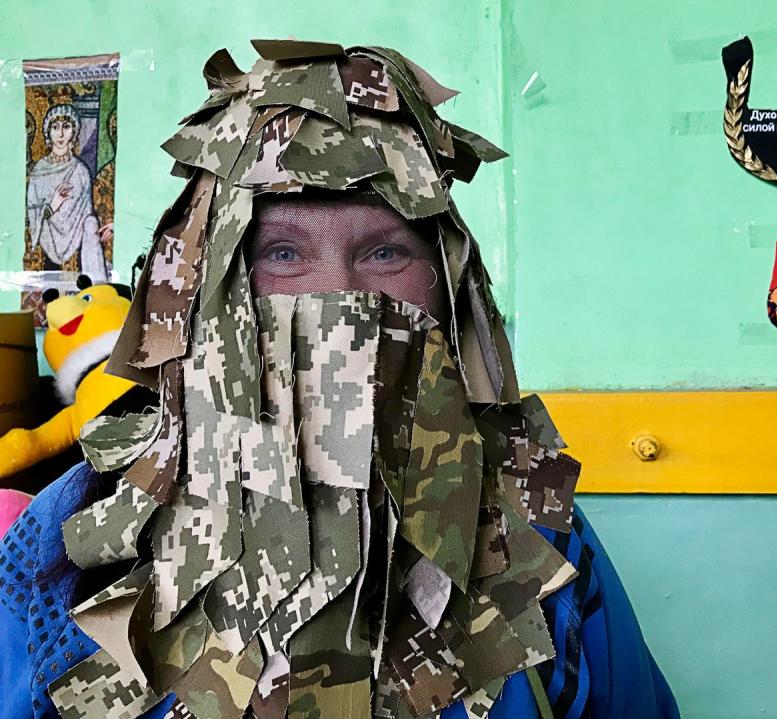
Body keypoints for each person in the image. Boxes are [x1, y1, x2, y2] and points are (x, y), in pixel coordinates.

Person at [0, 41, 680, 719]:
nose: (340, 297)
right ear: (204, 290)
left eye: (385, 251)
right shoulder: (67, 538)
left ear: (447, 286)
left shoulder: (533, 533)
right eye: (283, 253)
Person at [26, 103, 108, 280]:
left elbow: (86, 215)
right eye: (55, 127)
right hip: (48, 238)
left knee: (91, 223)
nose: (61, 134)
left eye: (66, 126)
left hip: (77, 240)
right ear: (48, 132)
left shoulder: (80, 171)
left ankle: (98, 287)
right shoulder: (39, 170)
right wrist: (52, 206)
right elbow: (32, 215)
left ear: (74, 131)